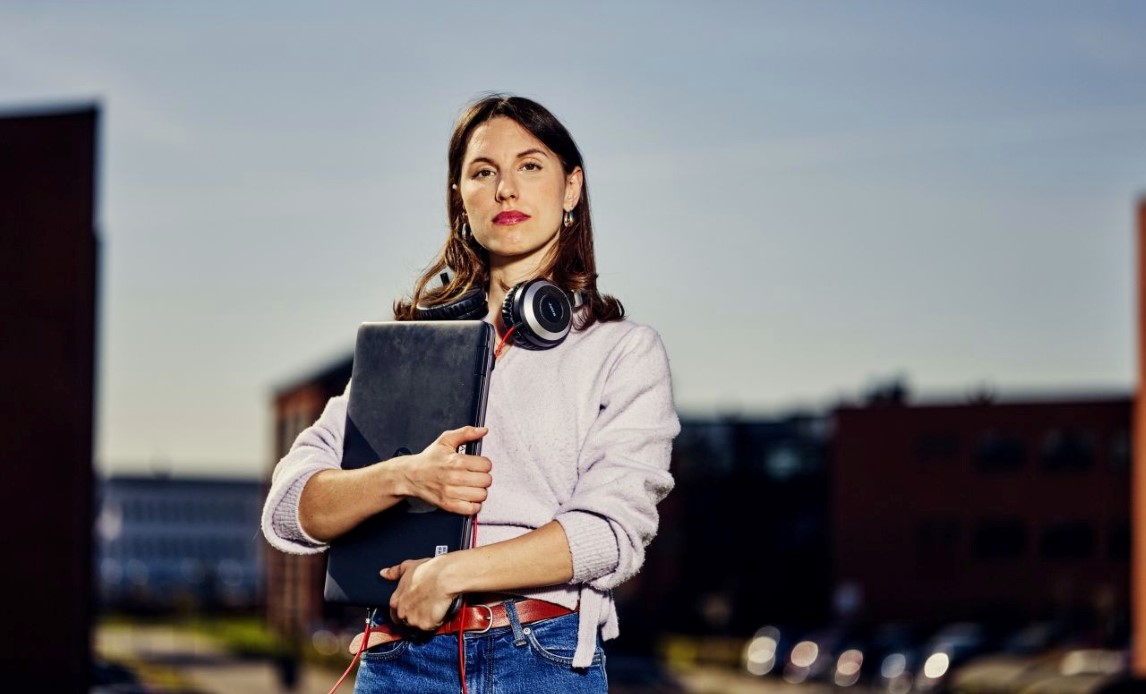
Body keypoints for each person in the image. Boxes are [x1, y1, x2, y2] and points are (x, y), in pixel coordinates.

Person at [261, 94, 679, 694]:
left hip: (542, 658)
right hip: (402, 659)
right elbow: (288, 512)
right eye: (484, 172)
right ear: (461, 198)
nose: (506, 188)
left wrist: (450, 575)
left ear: (571, 188)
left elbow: (612, 532)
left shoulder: (622, 351)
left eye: (530, 166)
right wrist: (403, 476)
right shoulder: (407, 350)